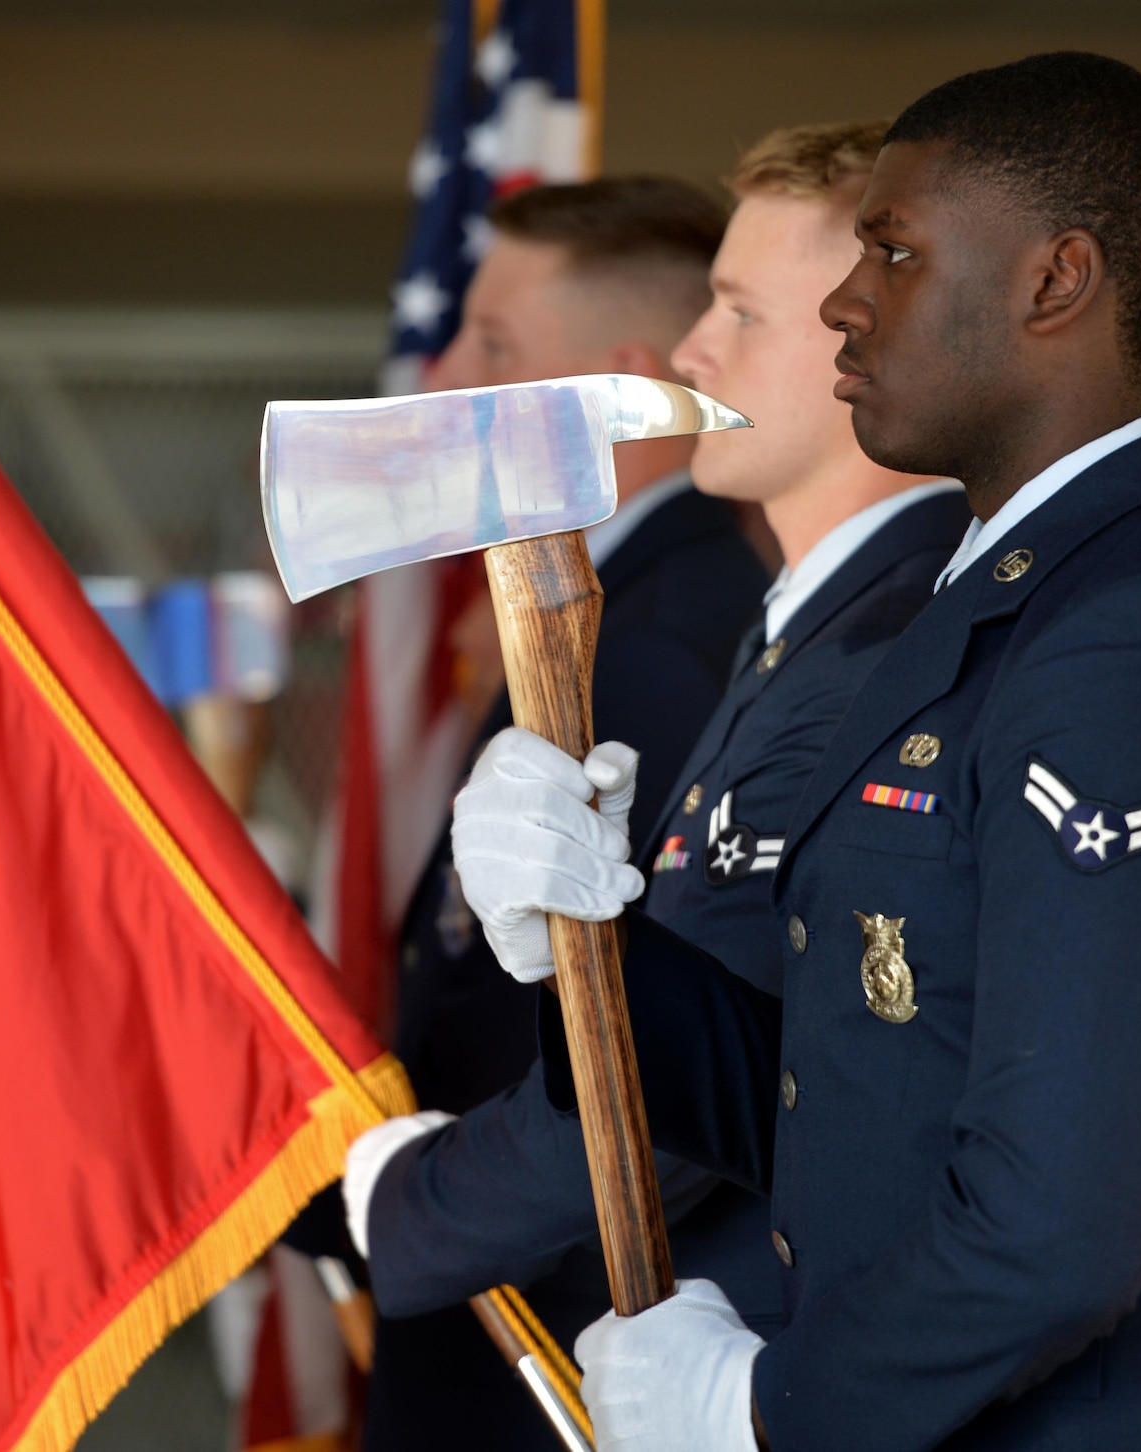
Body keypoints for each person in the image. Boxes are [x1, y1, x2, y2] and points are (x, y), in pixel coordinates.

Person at [450, 52, 1141, 1451]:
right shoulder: (991, 598)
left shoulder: (1130, 641)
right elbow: (853, 1083)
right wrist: (589, 931)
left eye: (892, 250)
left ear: (1054, 283)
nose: (844, 297)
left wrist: (765, 1407)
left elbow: (1050, 1235)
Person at [345, 117, 969, 1388]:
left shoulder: (881, 657)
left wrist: (402, 1204)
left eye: (739, 312)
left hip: (738, 1340)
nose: (692, 351)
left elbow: (746, 1087)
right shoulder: (789, 636)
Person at [361, 176, 772, 1452]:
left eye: (492, 347)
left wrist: (401, 1209)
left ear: (622, 382)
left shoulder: (668, 642)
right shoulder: (615, 605)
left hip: (563, 1346)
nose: (439, 378)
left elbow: (680, 1080)